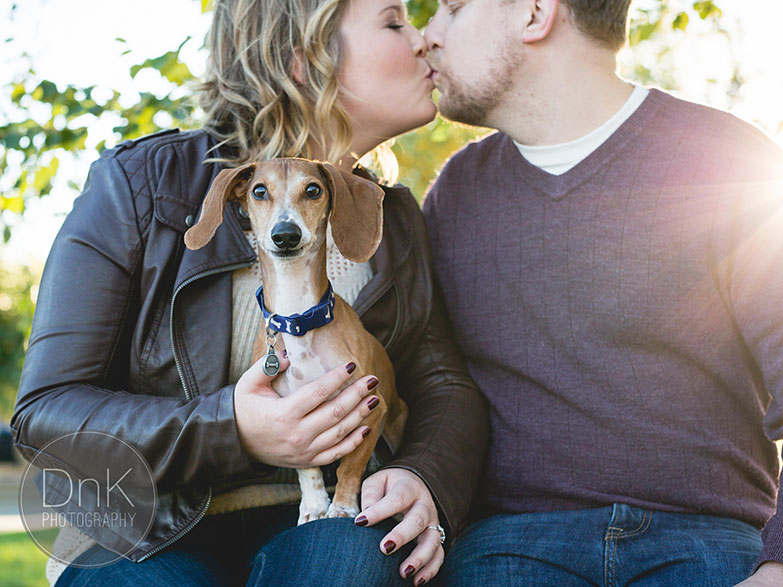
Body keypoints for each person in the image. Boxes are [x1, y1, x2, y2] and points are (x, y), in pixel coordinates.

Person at [12, 0, 488, 585]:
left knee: (354, 562)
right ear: (303, 60)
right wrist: (231, 429)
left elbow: (442, 388)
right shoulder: (141, 185)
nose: (424, 40)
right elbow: (45, 416)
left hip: (326, 515)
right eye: (395, 22)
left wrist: (424, 475)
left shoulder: (397, 219)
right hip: (147, 528)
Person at [421, 1, 783, 586]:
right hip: (511, 545)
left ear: (536, 13)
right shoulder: (457, 195)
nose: (427, 35)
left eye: (453, 8)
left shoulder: (734, 164)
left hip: (709, 541)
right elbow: (429, 389)